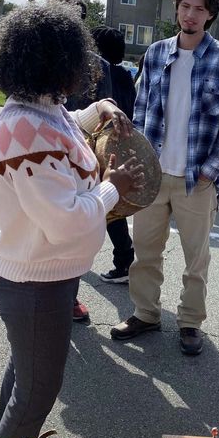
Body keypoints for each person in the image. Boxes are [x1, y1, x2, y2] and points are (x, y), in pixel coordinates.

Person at [0, 2, 143, 438]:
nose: (83, 67)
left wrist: (100, 109)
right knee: (37, 389)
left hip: (34, 271)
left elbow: (65, 126)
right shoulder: (28, 130)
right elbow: (66, 221)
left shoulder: (34, 109)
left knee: (25, 374)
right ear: (56, 61)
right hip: (35, 280)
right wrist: (113, 186)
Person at [111, 0, 219, 356]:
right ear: (177, 9)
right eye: (185, 7)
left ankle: (189, 322)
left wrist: (209, 170)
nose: (190, 15)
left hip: (196, 178)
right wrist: (137, 160)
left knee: (195, 259)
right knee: (145, 252)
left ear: (211, 14)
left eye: (199, 9)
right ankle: (145, 312)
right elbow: (140, 110)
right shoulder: (155, 53)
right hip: (153, 174)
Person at [47, 0, 111, 321]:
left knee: (76, 232)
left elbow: (106, 108)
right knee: (50, 228)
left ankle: (68, 297)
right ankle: (47, 296)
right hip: (48, 157)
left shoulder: (94, 64)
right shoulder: (35, 60)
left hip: (84, 156)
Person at [92, 27, 138, 284]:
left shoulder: (98, 72)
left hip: (99, 144)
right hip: (119, 144)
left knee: (100, 205)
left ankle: (124, 261)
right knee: (112, 207)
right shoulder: (125, 75)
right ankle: (124, 260)